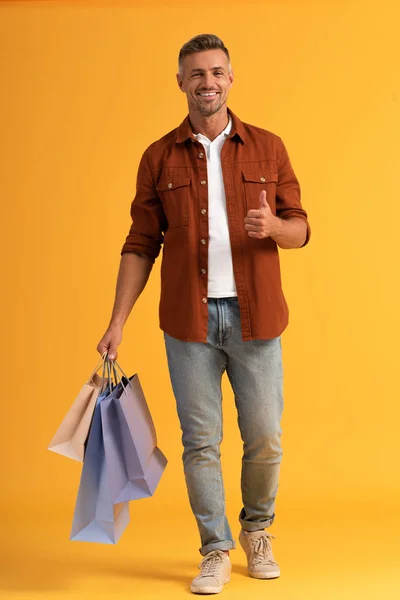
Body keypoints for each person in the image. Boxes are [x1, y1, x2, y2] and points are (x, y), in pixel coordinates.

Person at [97, 33, 311, 595]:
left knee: (265, 437)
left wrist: (276, 230)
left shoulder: (268, 147)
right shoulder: (158, 156)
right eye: (196, 74)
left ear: (231, 78)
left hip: (256, 318)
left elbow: (301, 228)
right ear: (181, 82)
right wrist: (117, 322)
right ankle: (215, 548)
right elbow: (141, 242)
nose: (207, 82)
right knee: (201, 443)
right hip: (189, 324)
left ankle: (257, 531)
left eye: (216, 72)